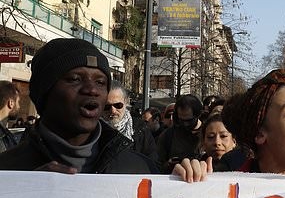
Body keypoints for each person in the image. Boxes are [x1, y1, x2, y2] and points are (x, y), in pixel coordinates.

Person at [0, 38, 157, 173]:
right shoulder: (7, 170)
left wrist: (179, 182)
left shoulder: (141, 170)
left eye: (100, 82)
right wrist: (20, 192)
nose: (92, 90)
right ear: (44, 92)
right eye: (75, 79)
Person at [156, 94, 203, 173]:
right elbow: (157, 165)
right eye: (181, 120)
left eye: (189, 120)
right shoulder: (168, 135)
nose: (185, 124)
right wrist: (169, 165)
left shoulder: (209, 134)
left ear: (198, 115)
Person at [0, 80, 20, 153]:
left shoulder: (5, 133)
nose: (19, 106)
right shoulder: (2, 136)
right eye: (18, 102)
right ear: (11, 103)